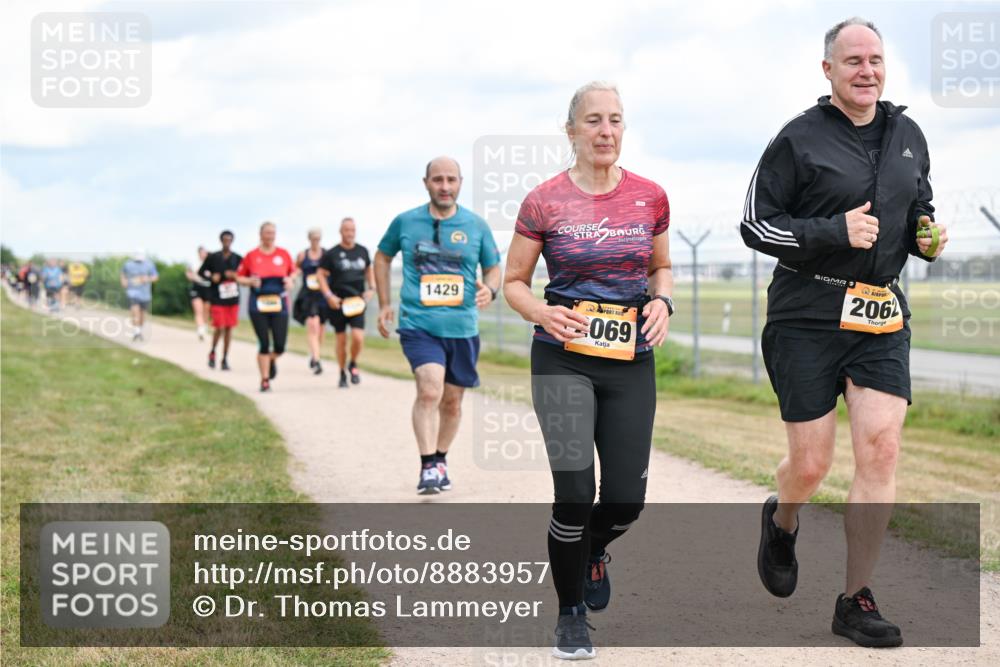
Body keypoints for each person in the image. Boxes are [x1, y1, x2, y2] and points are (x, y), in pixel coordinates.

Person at [741, 17, 948, 649]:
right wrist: (833, 230)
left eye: (876, 59)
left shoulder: (908, 134)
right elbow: (755, 224)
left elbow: (920, 205)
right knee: (811, 463)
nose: (867, 70)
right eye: (852, 60)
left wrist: (925, 234)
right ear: (827, 69)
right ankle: (783, 518)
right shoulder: (797, 139)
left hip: (880, 313)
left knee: (881, 448)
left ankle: (855, 598)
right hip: (807, 313)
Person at [504, 82, 673, 660]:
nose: (606, 131)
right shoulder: (543, 200)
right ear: (571, 130)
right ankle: (570, 613)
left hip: (630, 360)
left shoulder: (650, 196)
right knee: (575, 491)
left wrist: (662, 302)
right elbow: (513, 283)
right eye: (594, 120)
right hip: (562, 358)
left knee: (625, 499)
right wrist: (542, 312)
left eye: (616, 120)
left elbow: (662, 268)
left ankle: (593, 548)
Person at [374, 157, 501, 494]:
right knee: (430, 389)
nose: (445, 186)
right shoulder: (405, 222)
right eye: (438, 180)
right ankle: (428, 465)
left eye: (451, 180)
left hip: (462, 327)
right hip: (418, 324)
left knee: (452, 402)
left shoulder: (476, 226)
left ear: (460, 183)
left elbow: (493, 267)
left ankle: (441, 458)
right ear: (426, 182)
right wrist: (386, 302)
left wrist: (491, 287)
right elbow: (382, 256)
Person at [236, 222, 297, 392]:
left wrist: (290, 279)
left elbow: (293, 272)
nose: (270, 236)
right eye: (267, 233)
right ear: (260, 234)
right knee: (263, 343)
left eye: (273, 233)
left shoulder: (283, 254)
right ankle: (264, 380)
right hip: (258, 303)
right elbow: (239, 277)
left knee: (280, 345)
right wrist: (249, 281)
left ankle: (271, 359)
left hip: (279, 303)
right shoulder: (251, 255)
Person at [318, 217, 375, 388]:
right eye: (346, 230)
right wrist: (328, 295)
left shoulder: (362, 251)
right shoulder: (332, 253)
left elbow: (368, 270)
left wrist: (371, 288)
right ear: (341, 231)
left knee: (358, 337)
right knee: (341, 340)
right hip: (339, 303)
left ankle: (353, 363)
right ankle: (342, 372)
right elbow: (320, 275)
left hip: (357, 301)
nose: (350, 233)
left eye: (352, 230)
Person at [201, 231, 242, 371]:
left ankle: (225, 358)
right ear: (220, 240)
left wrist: (235, 276)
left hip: (232, 297)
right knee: (219, 326)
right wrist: (212, 277)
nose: (227, 242)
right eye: (225, 240)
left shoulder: (237, 258)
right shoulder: (213, 257)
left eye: (229, 240)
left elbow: (244, 274)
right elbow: (202, 272)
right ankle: (213, 351)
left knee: (229, 328)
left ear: (232, 241)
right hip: (218, 297)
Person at [295, 228, 327, 375]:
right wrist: (292, 278)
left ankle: (315, 354)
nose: (316, 241)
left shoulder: (326, 254)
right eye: (313, 238)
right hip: (308, 295)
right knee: (313, 325)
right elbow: (296, 270)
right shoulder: (303, 255)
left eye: (318, 238)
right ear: (309, 239)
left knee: (320, 328)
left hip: (323, 294)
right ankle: (317, 359)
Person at [120, 250, 159, 341]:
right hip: (132, 292)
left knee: (143, 314)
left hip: (145, 294)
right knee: (135, 310)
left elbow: (156, 277)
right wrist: (123, 281)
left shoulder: (150, 264)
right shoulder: (128, 264)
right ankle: (136, 331)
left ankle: (139, 331)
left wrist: (148, 279)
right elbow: (123, 273)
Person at [186, 246, 212, 341]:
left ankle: (204, 326)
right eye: (201, 253)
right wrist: (195, 277)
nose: (203, 254)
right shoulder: (194, 263)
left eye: (205, 253)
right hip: (197, 288)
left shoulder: (211, 263)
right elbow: (188, 274)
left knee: (206, 310)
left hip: (208, 288)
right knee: (198, 310)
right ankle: (200, 329)